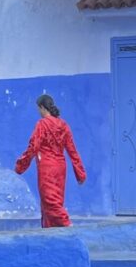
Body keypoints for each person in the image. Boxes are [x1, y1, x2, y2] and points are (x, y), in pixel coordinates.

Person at [15, 93, 87, 228]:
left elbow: (33, 147)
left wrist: (21, 165)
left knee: (50, 202)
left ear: (42, 108)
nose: (38, 112)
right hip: (60, 168)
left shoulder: (42, 124)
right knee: (55, 202)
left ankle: (69, 228)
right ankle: (50, 234)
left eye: (38, 109)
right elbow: (72, 150)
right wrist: (80, 173)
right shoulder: (64, 125)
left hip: (47, 168)